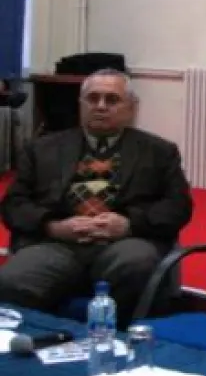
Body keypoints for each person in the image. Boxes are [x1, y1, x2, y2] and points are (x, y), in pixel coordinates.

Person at [0, 68, 192, 325]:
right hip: (57, 243)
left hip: (125, 243)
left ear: (132, 107)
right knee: (12, 280)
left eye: (112, 100)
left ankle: (117, 340)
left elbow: (177, 207)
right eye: (93, 98)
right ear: (81, 104)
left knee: (136, 264)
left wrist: (128, 224)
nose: (100, 106)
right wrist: (53, 226)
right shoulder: (42, 148)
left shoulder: (159, 152)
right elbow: (14, 205)